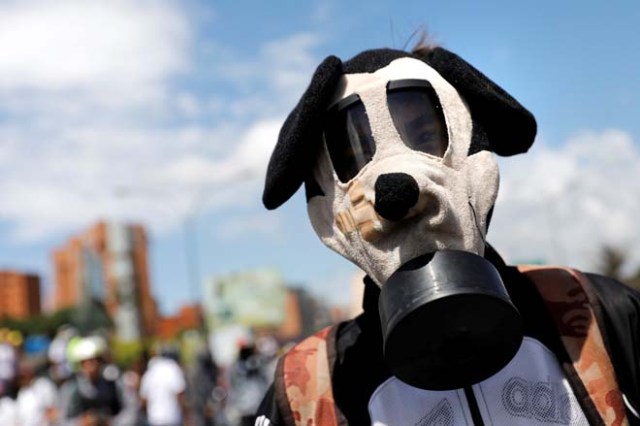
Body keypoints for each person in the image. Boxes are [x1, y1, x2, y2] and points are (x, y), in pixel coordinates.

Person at [255, 42, 640, 425]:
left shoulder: (594, 316)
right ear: (325, 199)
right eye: (359, 153)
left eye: (425, 136)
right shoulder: (308, 391)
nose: (397, 183)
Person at [59, 336, 123, 426]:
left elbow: (131, 410)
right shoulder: (71, 388)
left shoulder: (113, 383)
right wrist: (81, 422)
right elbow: (62, 421)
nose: (90, 366)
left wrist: (112, 422)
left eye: (94, 361)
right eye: (86, 362)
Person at [139, 344, 189, 426]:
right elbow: (180, 394)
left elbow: (143, 400)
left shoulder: (150, 372)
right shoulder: (173, 368)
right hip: (172, 418)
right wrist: (186, 415)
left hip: (154, 419)